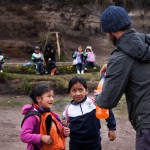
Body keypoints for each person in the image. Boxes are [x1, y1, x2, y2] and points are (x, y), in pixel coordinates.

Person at [95, 6, 150, 150]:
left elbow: (107, 100)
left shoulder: (120, 58)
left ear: (110, 32)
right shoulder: (147, 42)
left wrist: (98, 97)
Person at [62, 76, 116, 150]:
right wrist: (64, 126)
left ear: (86, 91)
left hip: (94, 144)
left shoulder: (94, 102)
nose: (77, 93)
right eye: (74, 91)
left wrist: (112, 128)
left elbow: (108, 112)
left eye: (81, 90)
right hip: (76, 146)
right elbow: (63, 126)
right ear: (69, 93)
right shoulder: (68, 110)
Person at [20, 84, 70, 150]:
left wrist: (64, 132)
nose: (52, 99)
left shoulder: (52, 115)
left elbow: (57, 133)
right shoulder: (32, 116)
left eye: (52, 96)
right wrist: (41, 137)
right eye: (48, 96)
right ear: (38, 99)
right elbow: (24, 136)